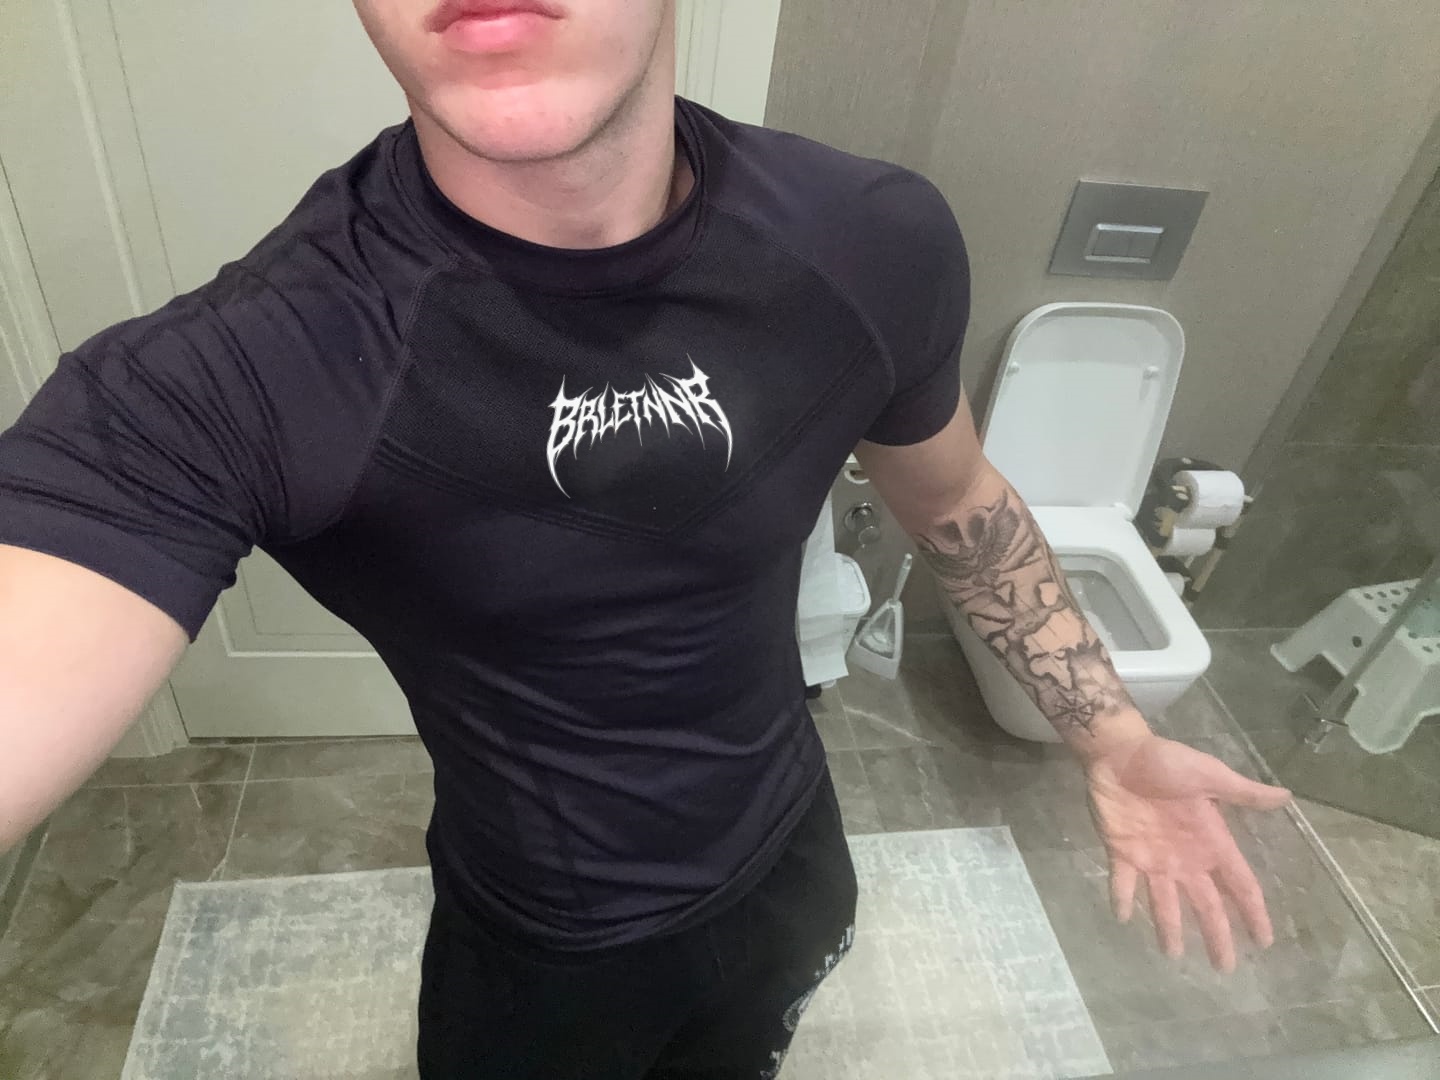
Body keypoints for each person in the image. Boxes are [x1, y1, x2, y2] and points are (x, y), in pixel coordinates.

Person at [0, 1, 1292, 1076]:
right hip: (545, 950)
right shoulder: (240, 374)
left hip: (791, 848)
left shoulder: (868, 240)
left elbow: (954, 498)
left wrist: (1112, 734)